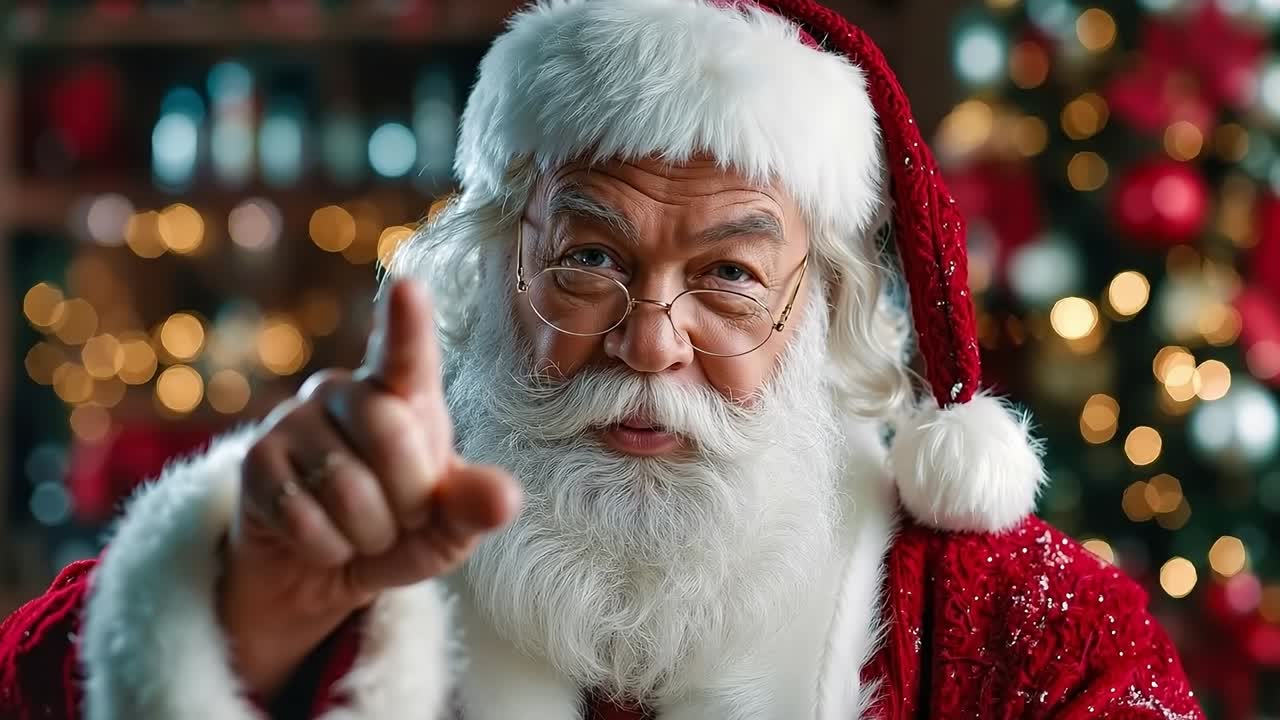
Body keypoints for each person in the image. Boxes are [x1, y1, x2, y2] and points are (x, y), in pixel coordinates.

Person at [1, 0, 1204, 718]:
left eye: (730, 275)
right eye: (586, 258)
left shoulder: (1013, 625)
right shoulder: (326, 557)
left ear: (825, 305)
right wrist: (224, 629)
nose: (646, 341)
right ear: (487, 270)